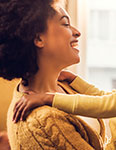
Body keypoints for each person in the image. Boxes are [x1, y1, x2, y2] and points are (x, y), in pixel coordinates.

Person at [0, 0, 105, 149]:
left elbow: (108, 104)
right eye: (65, 24)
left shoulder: (63, 85)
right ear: (38, 39)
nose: (77, 32)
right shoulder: (43, 122)